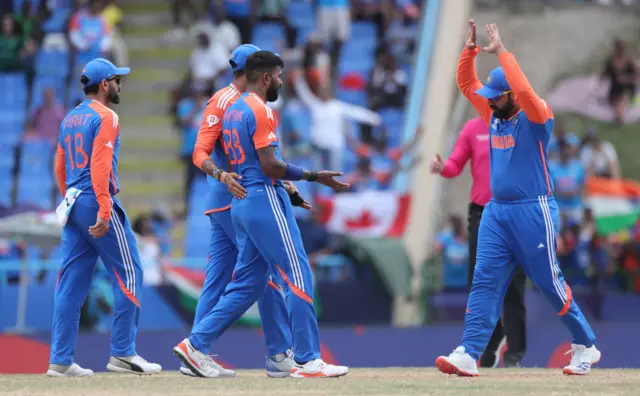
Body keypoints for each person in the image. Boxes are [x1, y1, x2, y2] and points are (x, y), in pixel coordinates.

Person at [436, 20, 600, 377]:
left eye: (497, 94)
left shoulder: (537, 117)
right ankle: (469, 351)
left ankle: (585, 344)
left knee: (548, 281)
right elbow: (467, 84)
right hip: (497, 212)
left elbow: (524, 89)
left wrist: (502, 52)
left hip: (533, 211)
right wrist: (469, 51)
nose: (490, 99)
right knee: (484, 279)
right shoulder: (492, 114)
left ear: (512, 94)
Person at [173, 51, 350, 378]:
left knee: (247, 283)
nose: (282, 82)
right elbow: (268, 164)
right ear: (264, 76)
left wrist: (283, 184)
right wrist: (311, 176)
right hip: (261, 197)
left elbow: (250, 160)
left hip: (242, 201)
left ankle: (196, 344)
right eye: (280, 76)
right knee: (297, 272)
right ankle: (307, 359)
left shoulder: (233, 109)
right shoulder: (256, 108)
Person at [183, 44, 295, 378]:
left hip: (229, 201)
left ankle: (196, 351)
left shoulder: (236, 100)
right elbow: (199, 152)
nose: (273, 77)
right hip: (235, 199)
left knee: (217, 281)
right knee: (264, 275)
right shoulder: (227, 101)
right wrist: (221, 175)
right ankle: (278, 353)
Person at [49, 58, 162, 377]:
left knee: (70, 283)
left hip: (73, 201)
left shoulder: (70, 118)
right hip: (96, 200)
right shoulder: (107, 116)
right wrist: (101, 206)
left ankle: (59, 360)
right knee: (130, 271)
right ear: (104, 84)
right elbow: (100, 164)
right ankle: (124, 354)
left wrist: (68, 198)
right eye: (116, 80)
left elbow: (59, 165)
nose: (119, 85)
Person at [430, 116, 527, 368]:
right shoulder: (473, 128)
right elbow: (455, 164)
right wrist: (443, 168)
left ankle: (515, 354)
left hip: (514, 211)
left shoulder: (521, 126)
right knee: (479, 281)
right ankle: (491, 341)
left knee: (514, 286)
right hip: (482, 213)